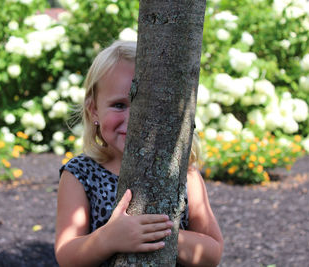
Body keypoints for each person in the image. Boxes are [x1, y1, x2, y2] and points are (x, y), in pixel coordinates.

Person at [55, 40, 223, 267]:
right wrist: (108, 238)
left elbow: (212, 253)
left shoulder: (185, 174)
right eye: (119, 105)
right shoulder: (80, 175)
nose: (135, 120)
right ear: (93, 110)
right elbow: (66, 254)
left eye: (149, 106)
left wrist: (163, 235)